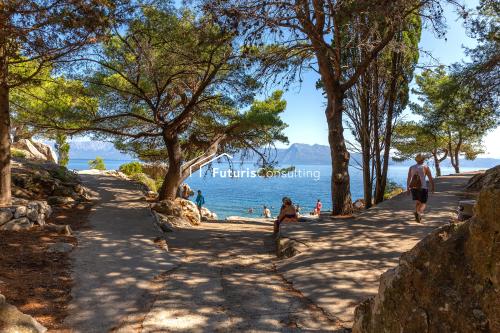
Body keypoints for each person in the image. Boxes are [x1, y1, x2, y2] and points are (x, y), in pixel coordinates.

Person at [407, 154, 435, 223]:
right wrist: (432, 187)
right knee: (423, 203)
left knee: (418, 201)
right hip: (423, 187)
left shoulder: (411, 167)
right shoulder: (425, 167)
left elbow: (408, 178)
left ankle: (417, 213)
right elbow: (430, 178)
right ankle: (418, 213)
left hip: (413, 187)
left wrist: (408, 188)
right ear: (423, 160)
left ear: (416, 160)